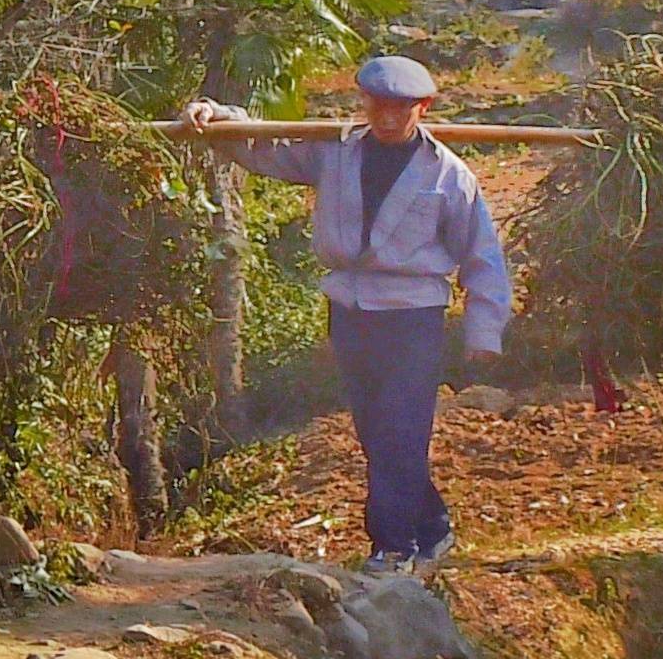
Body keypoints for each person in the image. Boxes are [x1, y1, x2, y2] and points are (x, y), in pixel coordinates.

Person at [183, 53, 512, 577]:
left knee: (402, 430)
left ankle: (393, 547)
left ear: (422, 109)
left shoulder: (448, 175)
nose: (387, 118)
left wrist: (484, 331)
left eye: (400, 109)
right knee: (375, 431)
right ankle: (432, 528)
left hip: (413, 315)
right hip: (350, 308)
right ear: (363, 103)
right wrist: (215, 117)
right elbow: (262, 147)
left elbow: (482, 255)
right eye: (378, 106)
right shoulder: (334, 155)